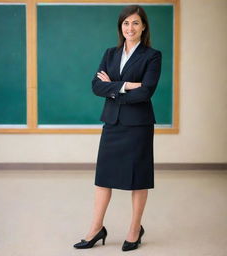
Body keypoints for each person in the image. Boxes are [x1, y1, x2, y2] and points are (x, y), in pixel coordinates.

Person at [73, 5, 162, 252]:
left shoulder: (152, 55)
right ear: (120, 27)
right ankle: (96, 228)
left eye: (135, 23)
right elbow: (95, 86)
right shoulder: (110, 54)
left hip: (138, 125)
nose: (130, 28)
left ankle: (135, 229)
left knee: (138, 179)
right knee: (103, 178)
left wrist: (112, 87)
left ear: (143, 26)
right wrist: (125, 86)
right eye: (125, 23)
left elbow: (146, 91)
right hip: (112, 123)